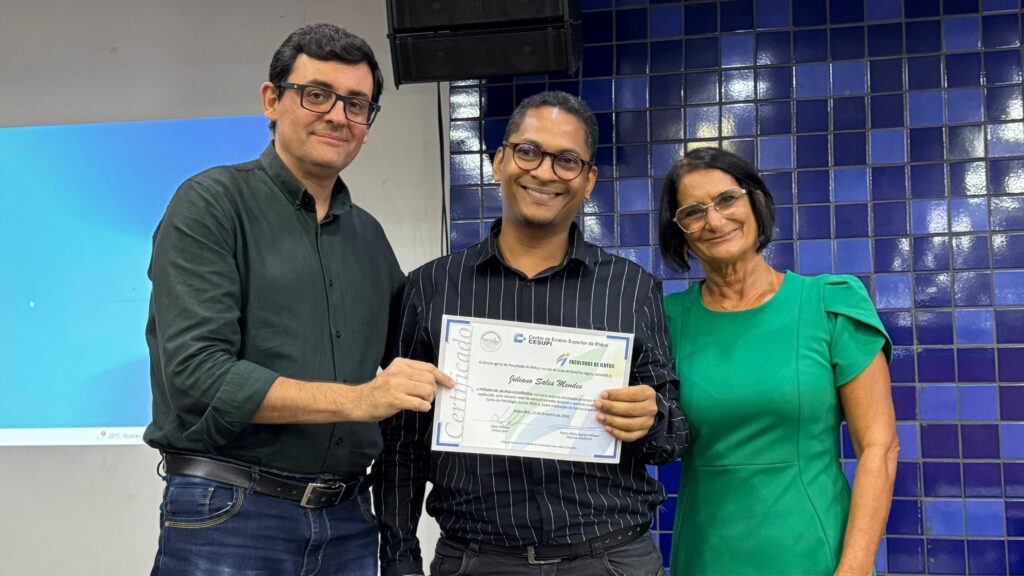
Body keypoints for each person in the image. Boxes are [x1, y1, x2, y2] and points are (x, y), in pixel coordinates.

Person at [144, 23, 451, 575]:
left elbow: (424, 356)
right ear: (272, 100)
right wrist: (361, 400)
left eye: (356, 104)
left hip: (350, 522)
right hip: (232, 516)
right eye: (316, 94)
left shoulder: (368, 236)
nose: (337, 115)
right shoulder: (210, 205)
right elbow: (197, 375)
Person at [376, 90, 688, 576]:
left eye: (567, 160)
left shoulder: (632, 289)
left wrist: (651, 417)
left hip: (610, 559)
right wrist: (399, 558)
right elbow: (402, 442)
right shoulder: (430, 287)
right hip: (476, 560)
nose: (544, 172)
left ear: (589, 180)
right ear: (498, 162)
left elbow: (671, 437)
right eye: (528, 151)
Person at [657, 147, 899, 576]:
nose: (714, 221)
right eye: (693, 212)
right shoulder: (664, 321)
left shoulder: (830, 304)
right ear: (680, 232)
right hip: (705, 556)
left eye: (726, 199)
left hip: (816, 555)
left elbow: (879, 448)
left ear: (757, 202)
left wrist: (856, 567)